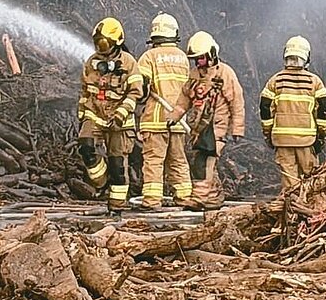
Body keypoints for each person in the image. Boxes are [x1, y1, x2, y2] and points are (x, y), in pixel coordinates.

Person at [169, 30, 245, 210]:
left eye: (201, 58)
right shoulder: (194, 75)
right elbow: (184, 99)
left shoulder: (225, 73)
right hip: (199, 128)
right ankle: (213, 198)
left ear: (211, 54)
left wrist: (237, 129)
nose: (199, 63)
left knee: (204, 161)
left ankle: (200, 199)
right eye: (196, 59)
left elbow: (237, 101)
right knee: (203, 161)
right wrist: (174, 116)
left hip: (217, 127)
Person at [77, 18, 144, 213]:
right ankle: (101, 181)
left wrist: (121, 113)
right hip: (95, 114)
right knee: (85, 145)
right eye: (98, 42)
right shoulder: (91, 62)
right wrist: (82, 112)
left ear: (116, 42)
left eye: (104, 43)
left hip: (120, 123)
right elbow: (85, 90)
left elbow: (135, 92)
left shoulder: (129, 63)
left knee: (118, 165)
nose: (100, 47)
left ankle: (116, 206)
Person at [135, 13, 192, 209]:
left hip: (155, 120)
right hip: (178, 120)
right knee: (178, 161)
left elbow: (141, 89)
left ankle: (152, 201)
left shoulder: (148, 57)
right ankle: (185, 198)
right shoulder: (183, 58)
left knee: (153, 161)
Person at [259, 35, 326, 192]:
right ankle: (309, 210)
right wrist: (322, 135)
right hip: (307, 140)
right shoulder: (314, 81)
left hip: (282, 140)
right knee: (311, 179)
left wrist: (268, 133)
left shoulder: (275, 81)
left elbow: (264, 108)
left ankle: (292, 212)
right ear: (307, 56)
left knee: (290, 184)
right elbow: (323, 111)